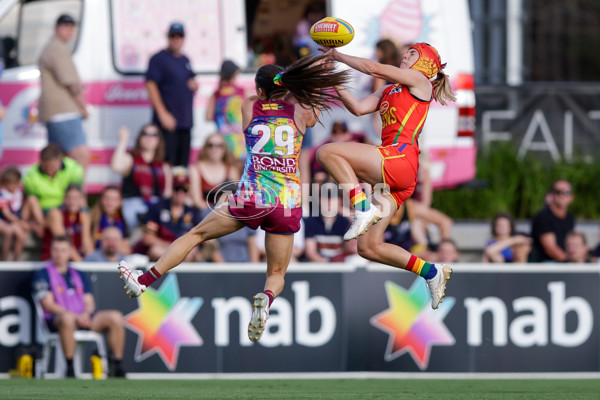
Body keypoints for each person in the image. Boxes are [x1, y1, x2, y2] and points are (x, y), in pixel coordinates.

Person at [118, 53, 351, 343]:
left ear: (260, 90)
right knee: (277, 272)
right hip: (287, 202)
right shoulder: (302, 110)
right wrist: (317, 75)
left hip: (252, 196)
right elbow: (310, 108)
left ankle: (144, 281)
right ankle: (266, 298)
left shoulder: (249, 106)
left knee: (195, 235)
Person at [317, 43, 456, 309]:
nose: (405, 55)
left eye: (412, 53)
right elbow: (357, 108)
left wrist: (337, 55)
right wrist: (334, 79)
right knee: (368, 248)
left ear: (425, 63)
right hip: (396, 175)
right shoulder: (388, 89)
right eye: (406, 52)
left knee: (327, 152)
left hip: (399, 159)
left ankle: (361, 208)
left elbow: (372, 67)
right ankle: (431, 272)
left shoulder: (419, 81)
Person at [31, 235, 126, 377]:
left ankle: (117, 366)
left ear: (70, 252)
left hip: (83, 318)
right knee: (67, 319)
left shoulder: (78, 273)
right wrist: (76, 317)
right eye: (55, 250)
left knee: (115, 317)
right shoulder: (43, 273)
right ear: (50, 251)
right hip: (58, 320)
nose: (59, 254)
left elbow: (89, 302)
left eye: (63, 250)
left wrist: (86, 314)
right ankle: (70, 367)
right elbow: (47, 304)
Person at [38, 14, 90, 171]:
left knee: (57, 159)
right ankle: (77, 195)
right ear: (56, 28)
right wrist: (83, 106)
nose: (69, 31)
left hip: (55, 112)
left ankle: (60, 194)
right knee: (80, 155)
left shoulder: (52, 47)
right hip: (63, 111)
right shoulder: (58, 48)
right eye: (65, 27)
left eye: (71, 27)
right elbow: (71, 83)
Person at [145, 22, 198, 167]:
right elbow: (150, 84)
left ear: (184, 38)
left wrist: (194, 85)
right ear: (167, 37)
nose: (176, 39)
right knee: (167, 164)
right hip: (168, 123)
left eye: (179, 36)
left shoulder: (185, 59)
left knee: (182, 168)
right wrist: (162, 114)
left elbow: (190, 80)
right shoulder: (158, 59)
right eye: (172, 36)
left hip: (185, 122)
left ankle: (179, 191)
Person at [110, 125, 172, 231]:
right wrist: (123, 141)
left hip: (157, 207)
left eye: (154, 135)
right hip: (134, 205)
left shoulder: (164, 166)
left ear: (159, 140)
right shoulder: (131, 159)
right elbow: (116, 166)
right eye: (145, 134)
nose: (149, 137)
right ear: (139, 138)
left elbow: (167, 194)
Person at [131, 172, 202, 262]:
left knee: (193, 252)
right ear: (172, 189)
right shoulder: (157, 208)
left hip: (183, 253)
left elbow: (197, 239)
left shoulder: (192, 212)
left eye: (184, 189)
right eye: (177, 188)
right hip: (162, 250)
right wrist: (172, 246)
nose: (180, 193)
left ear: (189, 191)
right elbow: (148, 238)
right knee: (156, 250)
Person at [24, 143, 84, 213]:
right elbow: (31, 199)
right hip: (41, 209)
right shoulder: (31, 173)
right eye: (46, 166)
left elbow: (75, 193)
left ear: (60, 160)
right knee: (31, 200)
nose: (49, 169)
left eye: (52, 166)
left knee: (79, 201)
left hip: (65, 206)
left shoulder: (74, 168)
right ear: (41, 162)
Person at [206, 60, 246, 161]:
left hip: (222, 141)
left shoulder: (216, 94)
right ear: (235, 74)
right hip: (240, 141)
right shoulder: (243, 92)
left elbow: (208, 117)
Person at [41, 184, 93, 261]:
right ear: (64, 199)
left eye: (76, 198)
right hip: (55, 260)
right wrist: (82, 265)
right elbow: (63, 242)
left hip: (75, 260)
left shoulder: (84, 216)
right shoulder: (55, 213)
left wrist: (92, 262)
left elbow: (87, 243)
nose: (72, 202)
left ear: (81, 200)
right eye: (69, 198)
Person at [189, 133, 240, 212]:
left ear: (224, 149)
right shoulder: (195, 169)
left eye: (219, 146)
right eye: (210, 145)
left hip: (226, 212)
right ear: (205, 148)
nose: (214, 149)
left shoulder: (232, 170)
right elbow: (197, 200)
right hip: (205, 211)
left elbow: (235, 200)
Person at [529, 179, 575, 262]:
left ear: (571, 197)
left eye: (567, 192)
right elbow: (550, 249)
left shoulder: (570, 218)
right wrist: (570, 262)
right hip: (546, 264)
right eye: (558, 192)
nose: (562, 195)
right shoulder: (543, 217)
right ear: (552, 195)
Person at [89, 186, 131, 255]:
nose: (109, 203)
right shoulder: (91, 219)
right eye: (106, 198)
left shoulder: (122, 221)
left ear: (120, 202)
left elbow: (127, 249)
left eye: (113, 199)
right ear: (101, 199)